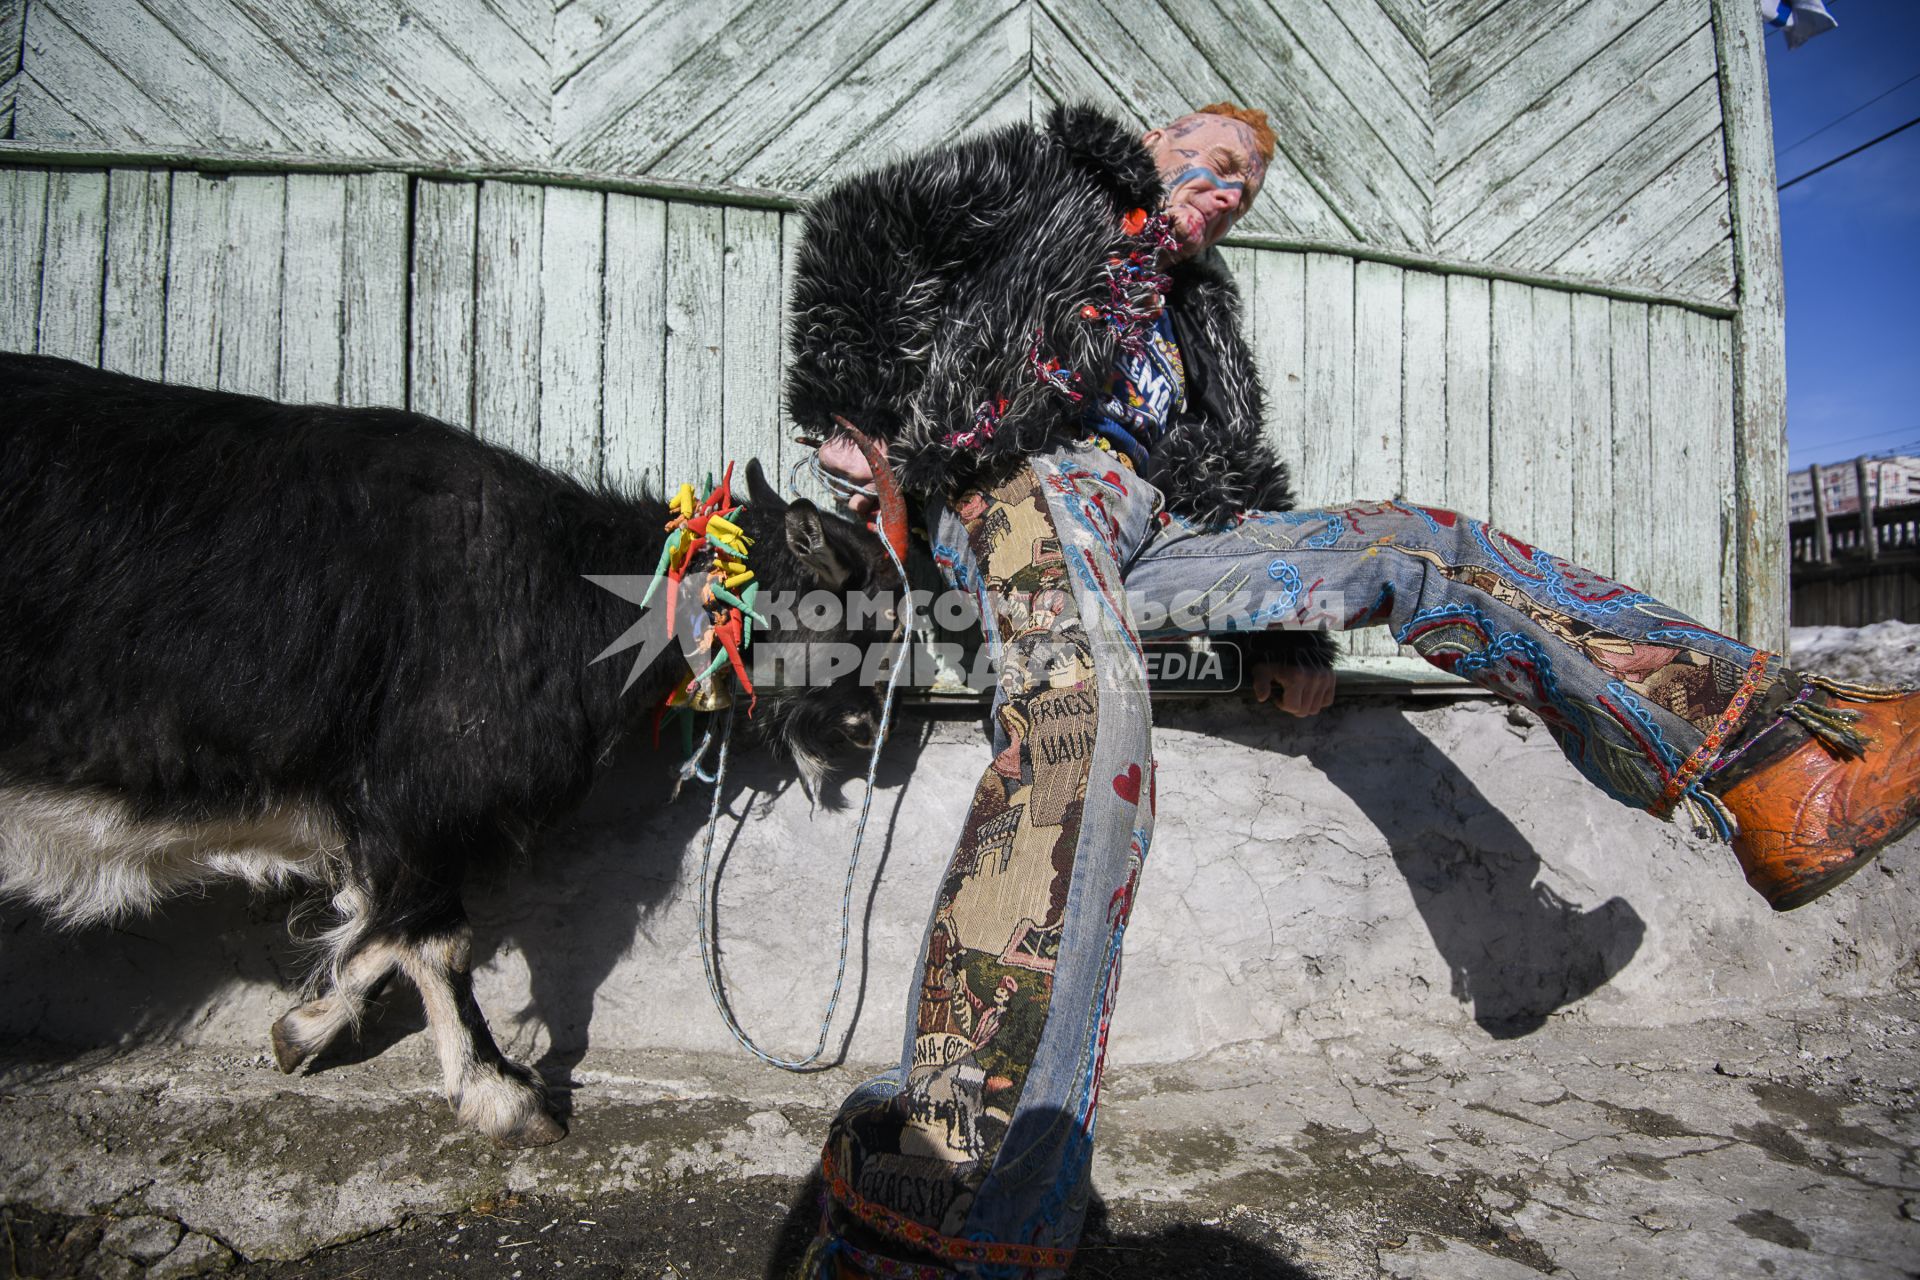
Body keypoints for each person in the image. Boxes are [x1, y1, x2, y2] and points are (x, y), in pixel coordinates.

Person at [782, 102, 1920, 1278]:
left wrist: (1288, 643)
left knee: (1424, 542)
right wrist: (857, 414)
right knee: (1082, 715)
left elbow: (1226, 491)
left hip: (1158, 523)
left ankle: (1779, 761)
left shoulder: (1201, 319)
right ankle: (941, 1209)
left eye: (1248, 190)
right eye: (1216, 165)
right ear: (1158, 140)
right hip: (1018, 482)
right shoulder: (1045, 174)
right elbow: (856, 235)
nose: (1228, 193)